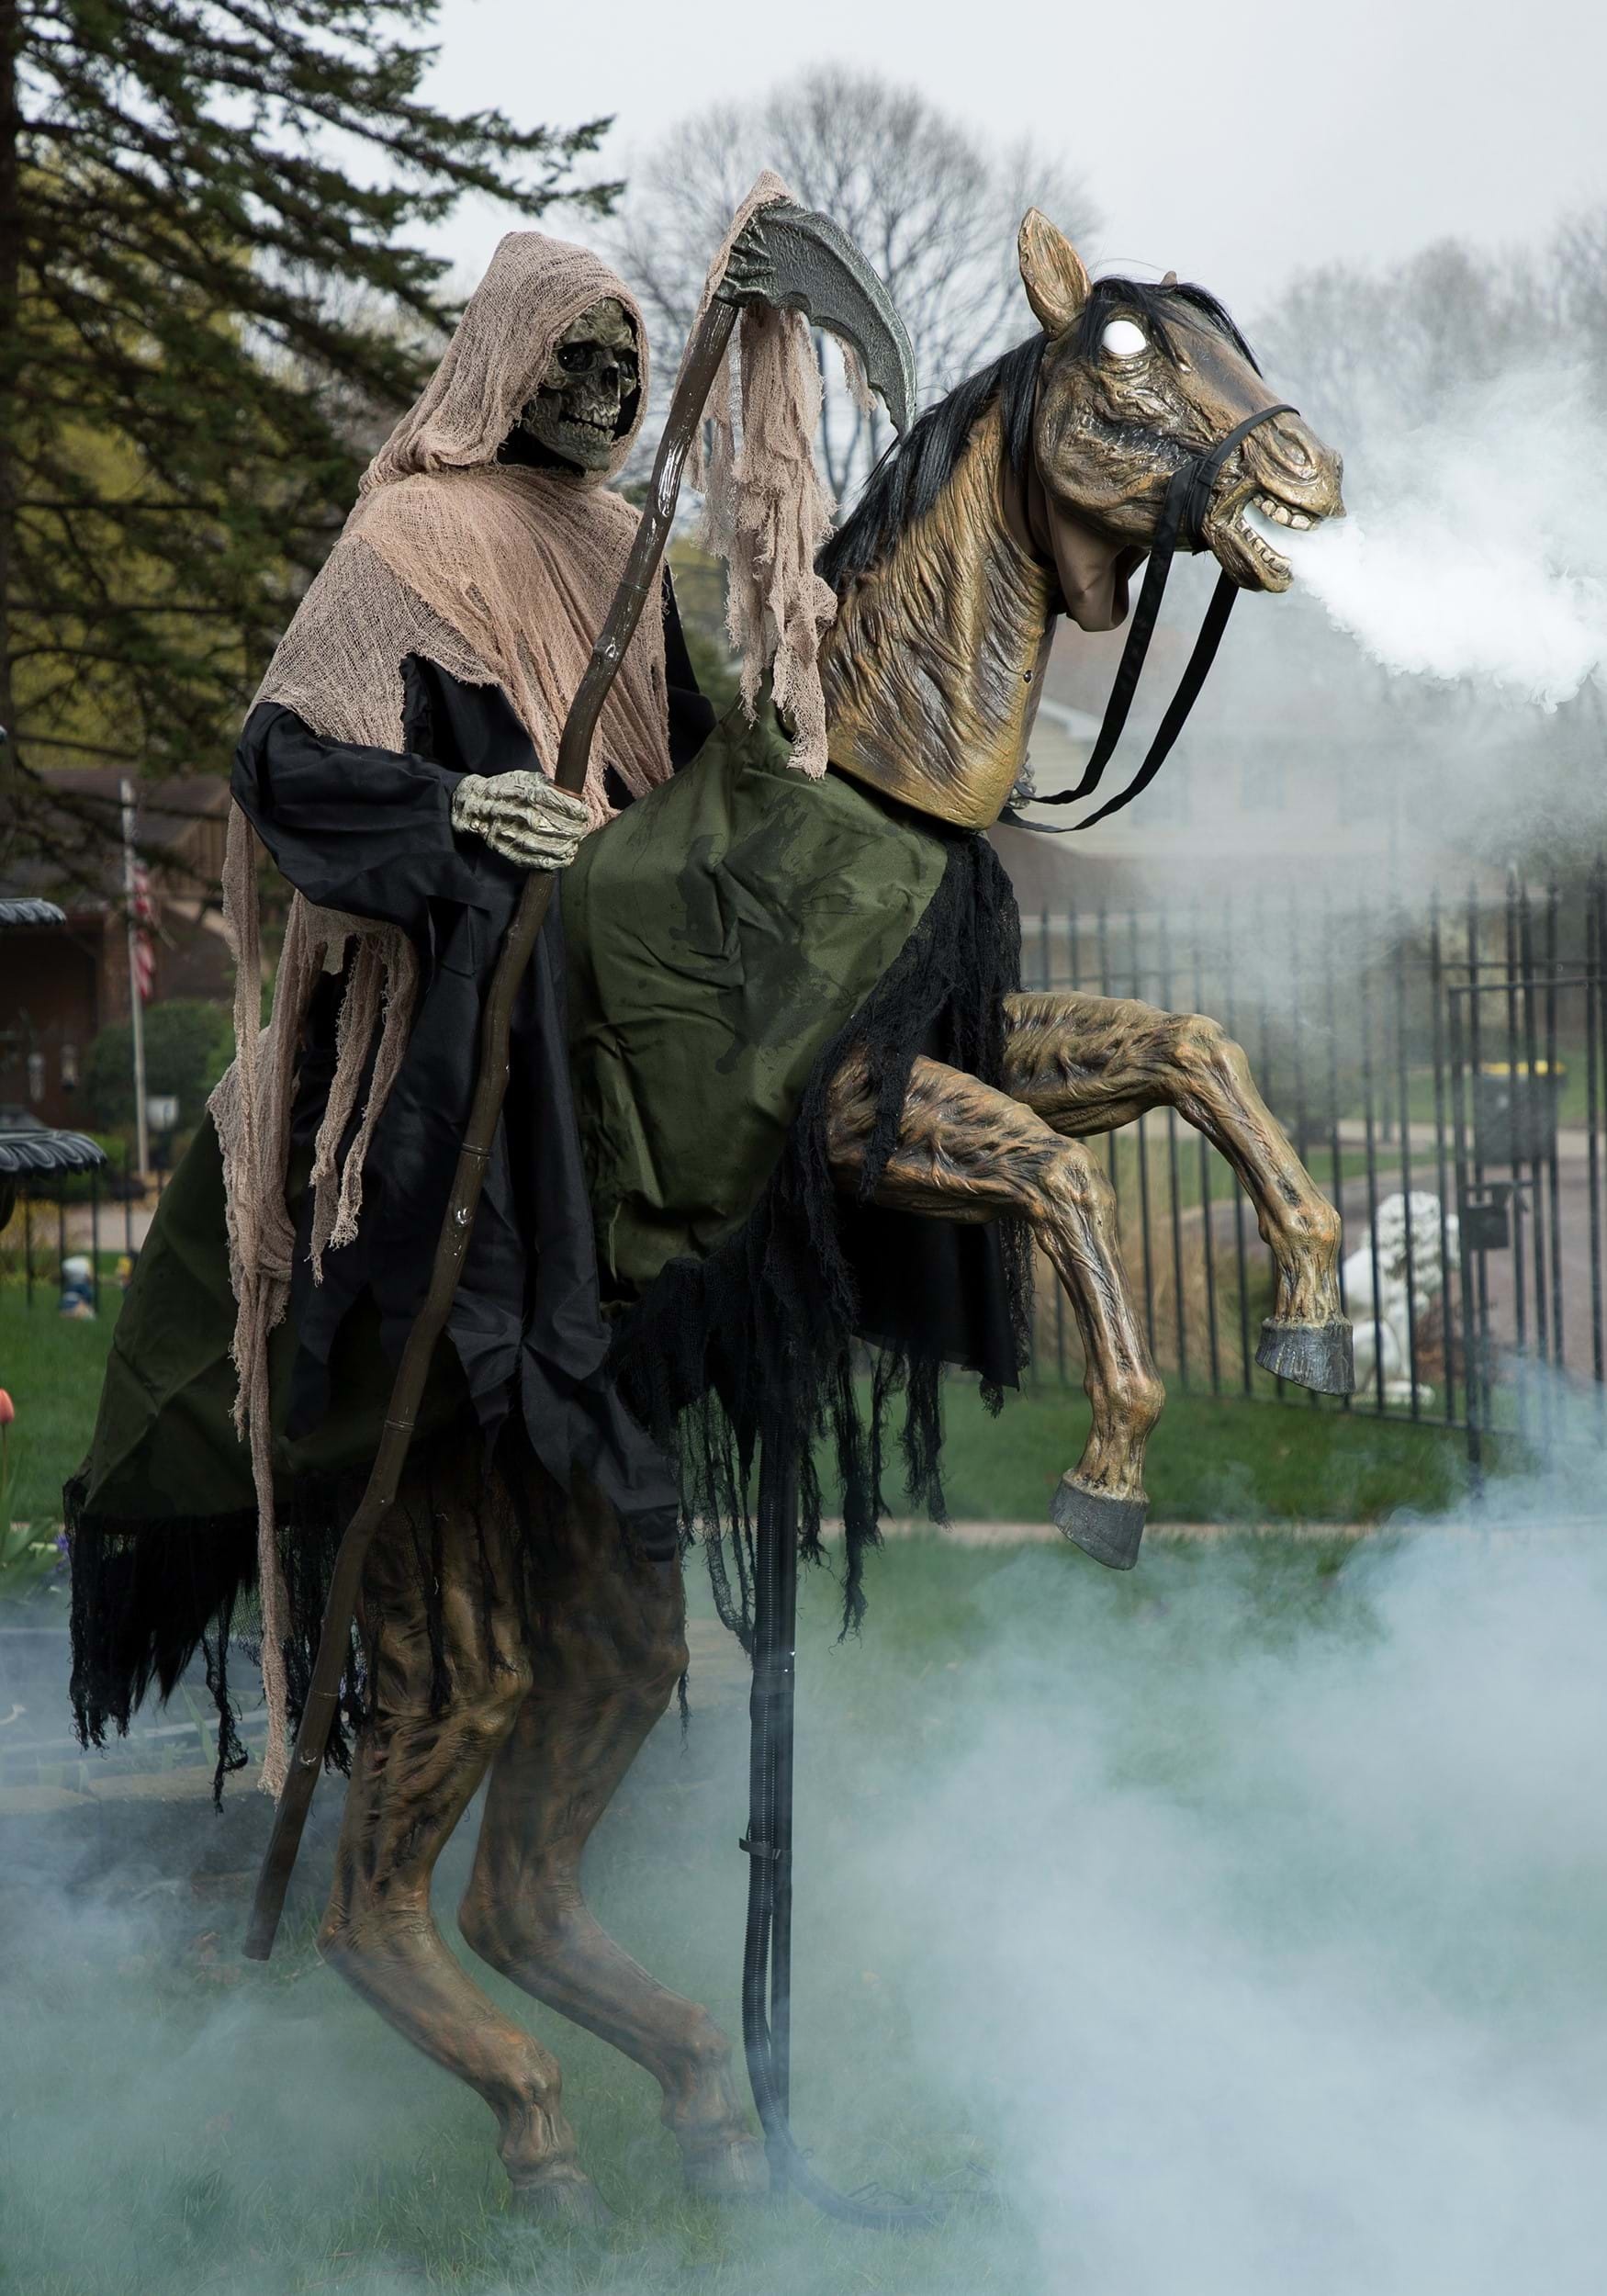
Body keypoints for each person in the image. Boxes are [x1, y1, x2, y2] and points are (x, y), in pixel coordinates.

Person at [68, 233, 714, 1791]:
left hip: (602, 977)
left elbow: (687, 769)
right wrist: (459, 808)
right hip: (445, 978)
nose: (603, 388)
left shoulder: (624, 549)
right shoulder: (412, 530)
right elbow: (285, 755)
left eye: (623, 363)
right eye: (571, 357)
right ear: (502, 359)